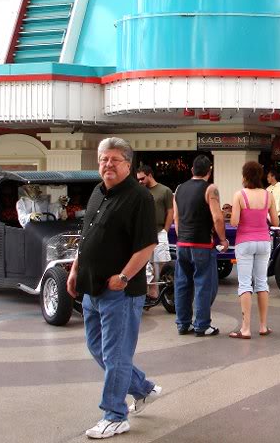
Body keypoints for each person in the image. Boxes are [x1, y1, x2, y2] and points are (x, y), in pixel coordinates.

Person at [66, 138, 160, 439]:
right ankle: (142, 388)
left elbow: (147, 246)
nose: (107, 164)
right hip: (92, 288)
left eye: (114, 159)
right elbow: (87, 237)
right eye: (103, 159)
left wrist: (123, 276)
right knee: (98, 348)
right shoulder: (97, 192)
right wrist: (75, 270)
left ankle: (115, 415)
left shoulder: (139, 198)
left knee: (116, 354)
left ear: (128, 165)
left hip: (120, 293)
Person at [173, 154, 226, 337]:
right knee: (204, 284)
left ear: (191, 170)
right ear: (209, 172)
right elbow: (218, 217)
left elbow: (176, 218)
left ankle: (182, 323)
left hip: (183, 243)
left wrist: (182, 236)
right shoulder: (210, 189)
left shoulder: (179, 189)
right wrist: (223, 239)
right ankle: (202, 325)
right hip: (202, 244)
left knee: (182, 283)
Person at [230, 161, 278, 339]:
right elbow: (275, 222)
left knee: (244, 284)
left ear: (245, 176)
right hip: (264, 241)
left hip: (244, 242)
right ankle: (264, 326)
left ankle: (246, 328)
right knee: (261, 283)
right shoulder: (268, 195)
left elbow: (234, 222)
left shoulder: (239, 195)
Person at [136, 165, 173, 301]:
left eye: (142, 178)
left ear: (150, 175)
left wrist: (165, 230)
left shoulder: (165, 191)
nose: (140, 181)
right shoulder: (139, 191)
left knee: (161, 262)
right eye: (138, 179)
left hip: (159, 231)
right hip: (143, 233)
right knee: (145, 263)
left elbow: (170, 211)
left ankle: (162, 292)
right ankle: (151, 292)